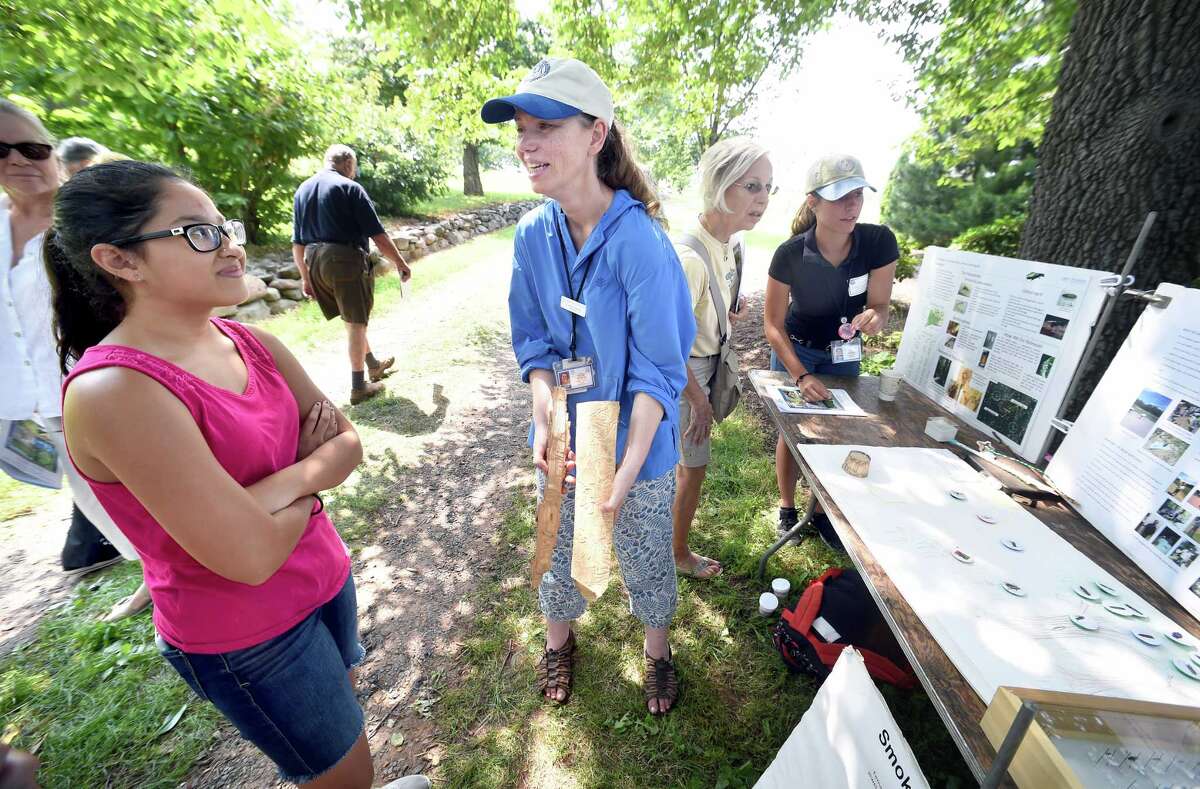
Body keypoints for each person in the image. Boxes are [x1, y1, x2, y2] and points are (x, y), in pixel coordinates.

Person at [46, 159, 426, 789]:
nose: (230, 243)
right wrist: (311, 477)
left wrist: (273, 493)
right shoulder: (117, 390)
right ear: (120, 261)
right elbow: (247, 557)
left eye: (225, 225)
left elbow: (349, 445)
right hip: (246, 630)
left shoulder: (254, 345)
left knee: (345, 720)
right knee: (342, 772)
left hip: (323, 576)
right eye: (197, 232)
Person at [482, 57, 695, 715]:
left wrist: (625, 471)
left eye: (545, 126)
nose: (527, 143)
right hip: (567, 440)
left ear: (596, 134)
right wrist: (544, 416)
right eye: (521, 129)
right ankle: (560, 641)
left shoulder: (641, 244)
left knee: (644, 549)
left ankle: (657, 653)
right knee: (557, 546)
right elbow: (538, 348)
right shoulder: (531, 236)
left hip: (639, 443)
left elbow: (659, 371)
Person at [0, 100, 150, 621]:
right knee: (96, 496)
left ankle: (182, 572)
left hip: (112, 383)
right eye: (2, 150)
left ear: (53, 153)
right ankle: (154, 576)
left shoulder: (88, 219)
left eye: (32, 147)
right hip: (40, 394)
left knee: (152, 482)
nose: (18, 160)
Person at [764, 154, 898, 549]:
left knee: (839, 432)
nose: (852, 206)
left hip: (844, 352)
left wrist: (876, 316)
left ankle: (819, 512)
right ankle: (788, 509)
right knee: (794, 431)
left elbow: (882, 305)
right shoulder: (790, 254)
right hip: (797, 351)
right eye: (840, 197)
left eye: (857, 195)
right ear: (813, 202)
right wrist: (800, 375)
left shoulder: (878, 242)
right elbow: (772, 325)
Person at [670, 137, 773, 581]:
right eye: (752, 186)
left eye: (769, 187)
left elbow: (707, 308)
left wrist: (727, 313)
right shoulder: (688, 258)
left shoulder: (731, 244)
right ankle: (675, 552)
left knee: (688, 465)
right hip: (686, 373)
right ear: (719, 184)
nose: (763, 199)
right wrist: (698, 399)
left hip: (707, 363)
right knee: (692, 468)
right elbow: (665, 348)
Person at [292, 145, 412, 404]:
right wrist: (400, 263)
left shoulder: (303, 189)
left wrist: (305, 277)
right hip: (343, 258)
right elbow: (378, 235)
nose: (355, 172)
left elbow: (297, 243)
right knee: (356, 322)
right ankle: (359, 387)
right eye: (355, 167)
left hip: (313, 260)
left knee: (351, 316)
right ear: (348, 163)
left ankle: (373, 365)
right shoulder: (349, 187)